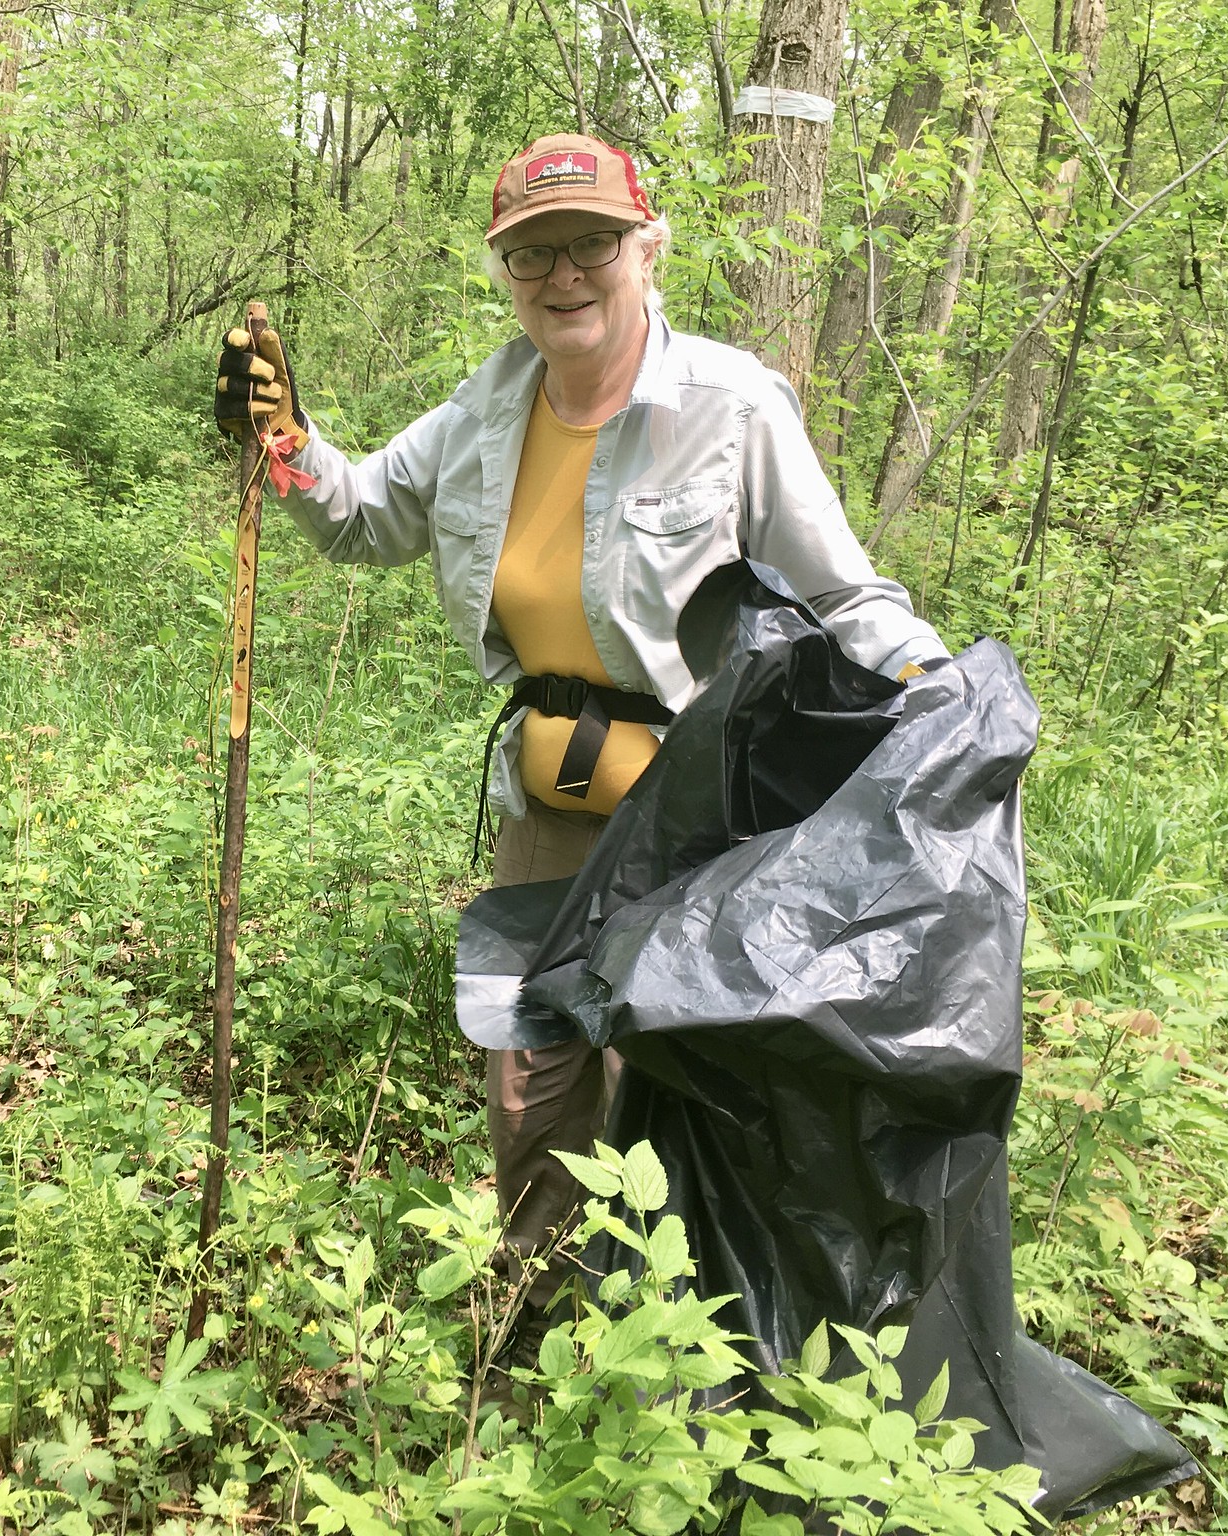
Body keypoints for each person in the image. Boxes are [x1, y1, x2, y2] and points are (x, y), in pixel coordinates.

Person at [213, 132, 948, 1350]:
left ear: (644, 246)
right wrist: (283, 447)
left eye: (592, 244)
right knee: (534, 1073)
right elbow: (361, 520)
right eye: (532, 252)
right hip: (551, 814)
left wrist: (934, 688)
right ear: (505, 269)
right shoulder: (486, 409)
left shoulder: (729, 406)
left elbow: (843, 598)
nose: (564, 274)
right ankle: (533, 1330)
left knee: (695, 1083)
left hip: (708, 818)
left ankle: (704, 1354)